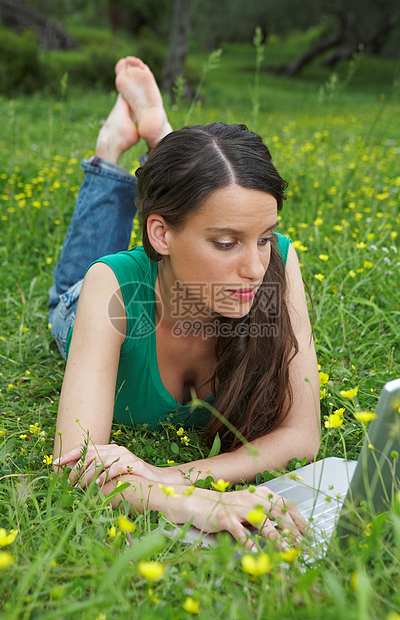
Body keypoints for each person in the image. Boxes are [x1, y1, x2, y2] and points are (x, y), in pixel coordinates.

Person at [50, 56, 320, 549]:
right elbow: (76, 461)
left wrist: (163, 475)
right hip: (88, 307)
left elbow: (302, 435)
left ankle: (170, 153)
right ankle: (111, 153)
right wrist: (195, 503)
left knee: (201, 201)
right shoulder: (110, 286)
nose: (257, 270)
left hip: (170, 248)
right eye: (226, 243)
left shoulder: (276, 261)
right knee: (80, 277)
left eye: (264, 236)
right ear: (163, 234)